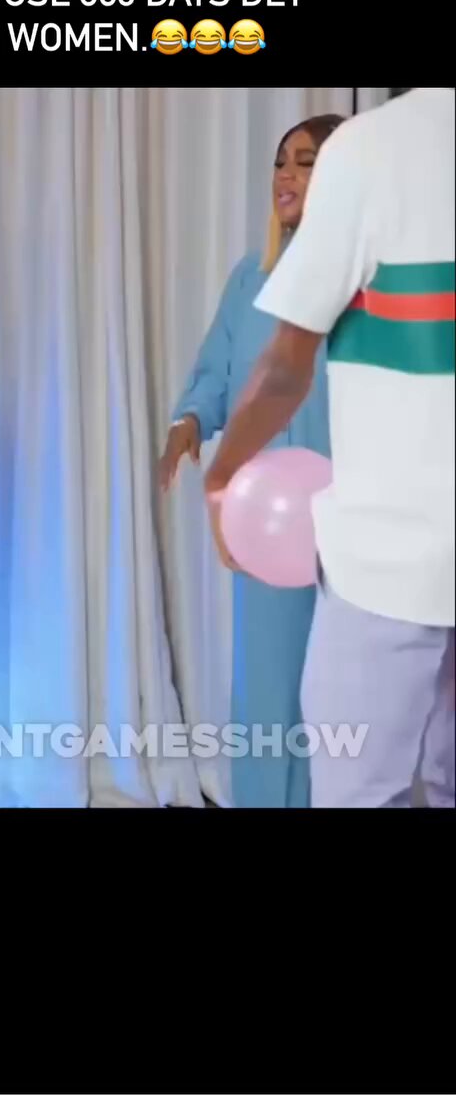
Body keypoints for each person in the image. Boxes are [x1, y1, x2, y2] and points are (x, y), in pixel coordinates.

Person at [204, 88, 455, 808]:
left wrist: (222, 477)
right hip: (386, 554)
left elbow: (286, 367)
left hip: (388, 559)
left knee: (358, 790)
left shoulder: (373, 148)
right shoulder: (251, 268)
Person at [159, 114, 345, 809]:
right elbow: (218, 366)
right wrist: (188, 421)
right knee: (268, 683)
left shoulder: (367, 279)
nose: (285, 176)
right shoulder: (252, 276)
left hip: (351, 506)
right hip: (266, 515)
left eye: (306, 162)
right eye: (280, 162)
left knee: (345, 688)